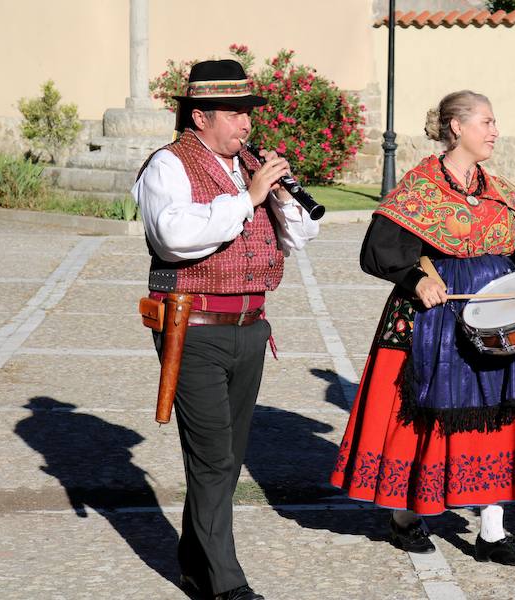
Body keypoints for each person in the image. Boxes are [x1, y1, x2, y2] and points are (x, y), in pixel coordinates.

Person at [331, 90, 515, 566]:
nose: (495, 131)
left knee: (500, 418)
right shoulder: (419, 189)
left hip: (497, 319)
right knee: (428, 420)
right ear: (457, 127)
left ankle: (493, 531)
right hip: (435, 322)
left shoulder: (499, 190)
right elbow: (378, 251)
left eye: (495, 122)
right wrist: (416, 279)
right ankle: (407, 518)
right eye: (487, 122)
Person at [133, 59, 319, 600]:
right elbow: (172, 236)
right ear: (199, 115)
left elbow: (298, 239)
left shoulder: (248, 168)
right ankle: (226, 585)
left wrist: (282, 199)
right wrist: (249, 198)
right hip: (193, 328)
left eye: (248, 114)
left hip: (250, 327)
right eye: (235, 114)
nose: (246, 125)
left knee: (228, 458)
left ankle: (194, 563)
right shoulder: (167, 166)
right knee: (213, 457)